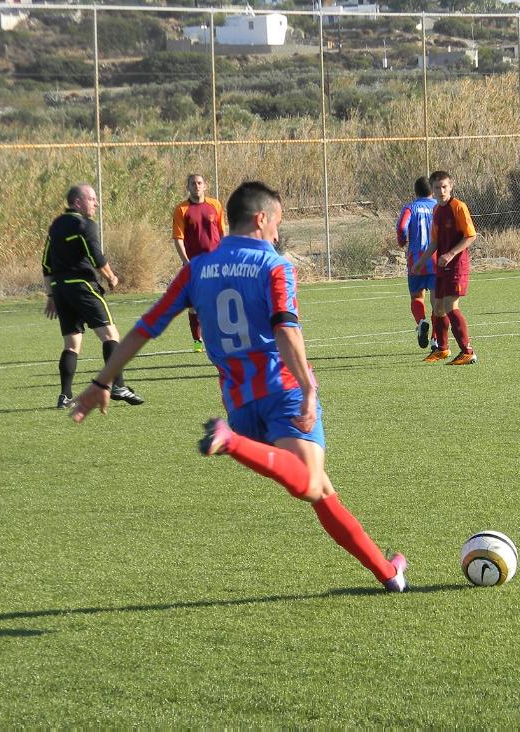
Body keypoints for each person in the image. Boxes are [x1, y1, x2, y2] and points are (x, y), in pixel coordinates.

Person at [70, 181, 407, 593]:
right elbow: (285, 329)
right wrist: (308, 388)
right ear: (261, 219)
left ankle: (388, 573)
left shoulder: (197, 269)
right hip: (283, 390)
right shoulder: (274, 266)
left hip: (240, 403)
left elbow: (146, 327)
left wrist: (103, 380)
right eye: (277, 222)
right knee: (310, 482)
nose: (278, 234)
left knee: (322, 490)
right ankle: (230, 442)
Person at [42, 183, 144, 409]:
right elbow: (96, 255)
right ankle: (118, 385)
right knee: (110, 335)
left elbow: (46, 264)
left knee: (72, 343)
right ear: (78, 202)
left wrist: (51, 295)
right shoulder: (84, 224)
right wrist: (111, 276)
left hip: (60, 289)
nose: (96, 204)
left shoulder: (56, 225)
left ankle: (65, 396)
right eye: (92, 199)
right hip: (82, 286)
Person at [412, 170, 478, 365]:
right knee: (438, 307)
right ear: (432, 190)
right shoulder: (436, 210)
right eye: (437, 188)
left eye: (444, 187)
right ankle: (442, 349)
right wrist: (421, 262)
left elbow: (471, 235)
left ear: (451, 187)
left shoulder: (458, 207)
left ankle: (468, 352)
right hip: (442, 266)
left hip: (457, 265)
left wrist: (451, 254)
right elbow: (434, 242)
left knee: (450, 305)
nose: (441, 191)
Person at [172, 173, 227, 353]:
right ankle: (197, 340)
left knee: (219, 301)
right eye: (193, 183)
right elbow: (178, 238)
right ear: (187, 187)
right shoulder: (181, 209)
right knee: (194, 305)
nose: (196, 186)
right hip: (194, 265)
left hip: (215, 263)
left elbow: (222, 232)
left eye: (199, 183)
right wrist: (186, 261)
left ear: (205, 185)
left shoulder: (215, 205)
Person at [396, 176, 437, 349]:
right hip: (436, 260)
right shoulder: (439, 206)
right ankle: (436, 338)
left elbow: (402, 227)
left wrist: (402, 241)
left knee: (417, 297)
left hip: (416, 260)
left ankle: (421, 322)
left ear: (415, 191)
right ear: (432, 190)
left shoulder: (410, 208)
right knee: (438, 303)